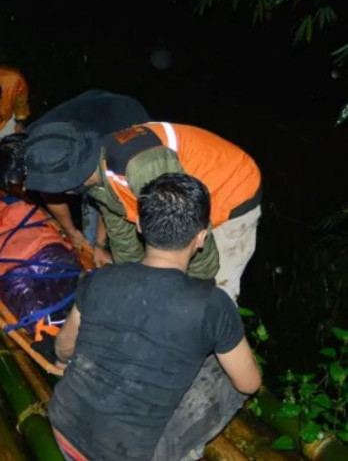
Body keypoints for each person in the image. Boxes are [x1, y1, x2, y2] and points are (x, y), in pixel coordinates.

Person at [49, 173, 261, 461]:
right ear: (201, 236)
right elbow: (249, 385)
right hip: (127, 455)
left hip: (61, 422)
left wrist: (63, 362)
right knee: (227, 377)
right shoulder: (213, 306)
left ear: (138, 225)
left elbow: (64, 346)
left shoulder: (100, 277)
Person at [24, 119, 261, 301]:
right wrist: (133, 279)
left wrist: (198, 288)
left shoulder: (141, 167)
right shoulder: (93, 173)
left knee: (213, 295)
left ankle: (215, 351)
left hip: (231, 191)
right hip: (186, 199)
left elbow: (189, 227)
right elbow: (121, 229)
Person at [0, 90, 151, 266]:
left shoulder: (52, 154)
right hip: (95, 107)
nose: (22, 189)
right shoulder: (28, 145)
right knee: (86, 187)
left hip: (125, 121)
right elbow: (49, 190)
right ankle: (88, 241)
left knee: (110, 200)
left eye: (21, 183)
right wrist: (71, 232)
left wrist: (99, 244)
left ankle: (98, 246)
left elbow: (110, 193)